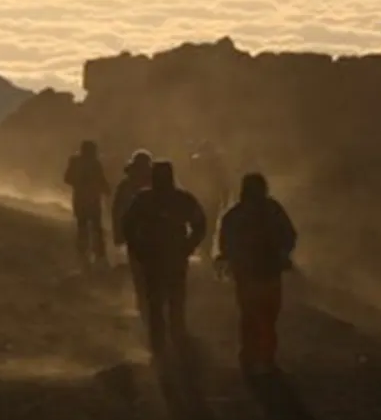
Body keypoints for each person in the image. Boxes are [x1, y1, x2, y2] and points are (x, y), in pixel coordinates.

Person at [120, 161, 209, 363]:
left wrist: (138, 248)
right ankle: (172, 342)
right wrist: (189, 245)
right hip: (166, 256)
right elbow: (200, 224)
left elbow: (128, 225)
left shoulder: (145, 199)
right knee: (171, 301)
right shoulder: (179, 199)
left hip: (159, 256)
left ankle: (163, 344)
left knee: (159, 302)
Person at [215, 172, 298, 376]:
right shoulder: (272, 210)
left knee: (251, 313)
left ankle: (252, 354)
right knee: (267, 314)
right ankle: (263, 355)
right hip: (266, 271)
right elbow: (289, 235)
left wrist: (227, 258)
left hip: (250, 272)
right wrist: (282, 253)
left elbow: (226, 241)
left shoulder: (236, 214)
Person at [61, 139, 110, 270]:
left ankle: (96, 255)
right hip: (85, 200)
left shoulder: (93, 164)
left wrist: (105, 189)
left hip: (89, 200)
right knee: (87, 227)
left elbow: (101, 180)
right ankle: (87, 255)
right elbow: (68, 178)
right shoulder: (80, 163)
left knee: (93, 228)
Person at [111, 149, 153, 261]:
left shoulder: (155, 184)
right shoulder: (126, 186)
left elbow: (117, 210)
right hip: (135, 228)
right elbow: (118, 210)